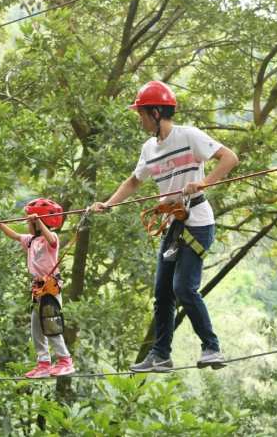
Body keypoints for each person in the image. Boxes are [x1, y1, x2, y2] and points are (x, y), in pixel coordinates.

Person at [92, 81, 239, 372]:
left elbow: (229, 157)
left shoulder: (189, 136)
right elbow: (134, 181)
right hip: (173, 225)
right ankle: (161, 355)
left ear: (156, 113)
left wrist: (204, 182)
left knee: (183, 288)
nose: (139, 119)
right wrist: (108, 204)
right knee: (162, 293)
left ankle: (212, 348)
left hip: (196, 221)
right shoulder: (149, 148)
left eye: (142, 113)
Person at [0, 198, 75, 378]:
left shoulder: (51, 239)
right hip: (38, 290)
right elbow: (14, 235)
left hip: (50, 289)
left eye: (29, 221)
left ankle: (65, 361)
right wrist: (0, 224)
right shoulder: (31, 240)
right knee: (36, 327)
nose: (28, 224)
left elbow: (50, 238)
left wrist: (39, 221)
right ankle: (43, 363)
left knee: (50, 324)